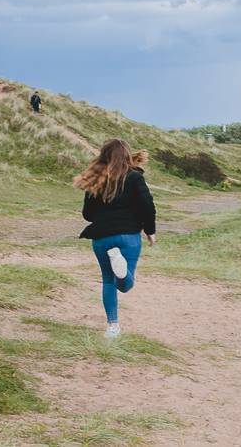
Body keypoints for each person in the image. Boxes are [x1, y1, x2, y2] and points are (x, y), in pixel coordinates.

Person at [73, 139, 156, 338]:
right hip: (128, 236)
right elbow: (147, 205)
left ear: (104, 155)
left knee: (108, 281)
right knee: (125, 284)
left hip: (102, 237)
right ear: (127, 154)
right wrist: (150, 230)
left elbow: (87, 215)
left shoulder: (96, 179)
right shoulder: (134, 177)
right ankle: (121, 268)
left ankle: (112, 327)